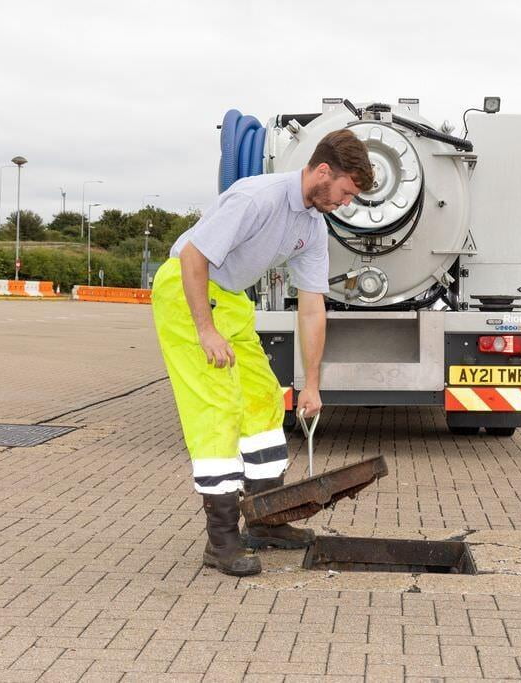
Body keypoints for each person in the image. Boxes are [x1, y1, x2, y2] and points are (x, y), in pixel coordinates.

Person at [151, 130, 373, 576]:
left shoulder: (312, 225)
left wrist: (312, 383)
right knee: (219, 408)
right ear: (323, 171)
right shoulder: (257, 198)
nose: (345, 203)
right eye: (346, 192)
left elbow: (312, 308)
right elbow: (194, 256)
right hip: (186, 291)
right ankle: (222, 542)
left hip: (230, 299)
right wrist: (205, 329)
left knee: (263, 401)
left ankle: (266, 521)